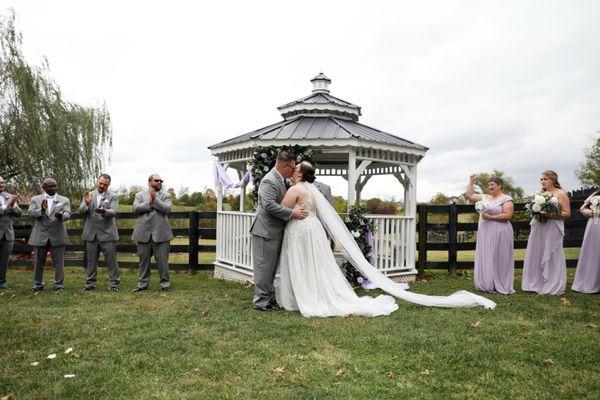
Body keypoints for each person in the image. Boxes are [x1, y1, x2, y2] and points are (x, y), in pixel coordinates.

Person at [276, 161, 496, 318]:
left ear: (300, 174)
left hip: (301, 230)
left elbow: (283, 207)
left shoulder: (296, 188)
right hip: (312, 229)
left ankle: (306, 297)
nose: (293, 170)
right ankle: (315, 294)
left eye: (295, 169)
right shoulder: (312, 191)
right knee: (316, 265)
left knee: (302, 263)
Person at [249, 149, 308, 311]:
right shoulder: (269, 180)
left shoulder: (282, 179)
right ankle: (260, 302)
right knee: (263, 268)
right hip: (264, 231)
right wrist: (292, 213)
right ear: (283, 166)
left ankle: (268, 298)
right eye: (292, 168)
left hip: (274, 231)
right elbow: (268, 205)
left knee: (271, 268)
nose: (294, 171)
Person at [522, 170, 570, 295]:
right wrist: (535, 211)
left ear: (553, 180)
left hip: (553, 226)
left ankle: (552, 283)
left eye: (545, 179)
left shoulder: (561, 193)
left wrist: (550, 214)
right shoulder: (539, 194)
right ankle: (536, 282)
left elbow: (566, 213)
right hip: (539, 226)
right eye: (541, 179)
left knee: (551, 252)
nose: (542, 181)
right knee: (537, 251)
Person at [465, 174, 515, 294]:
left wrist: (490, 217)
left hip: (500, 231)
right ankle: (487, 282)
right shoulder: (485, 197)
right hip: (485, 231)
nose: (490, 187)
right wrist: (471, 182)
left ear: (499, 185)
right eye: (488, 185)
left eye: (492, 184)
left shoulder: (506, 199)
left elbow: (507, 216)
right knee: (487, 254)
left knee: (499, 255)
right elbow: (470, 195)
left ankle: (500, 282)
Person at [79, 174, 120, 292]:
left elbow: (113, 211)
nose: (102, 186)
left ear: (109, 185)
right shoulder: (89, 194)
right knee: (91, 260)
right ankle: (90, 283)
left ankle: (114, 283)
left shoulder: (113, 196)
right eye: (100, 183)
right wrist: (86, 204)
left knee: (111, 260)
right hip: (91, 233)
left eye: (105, 184)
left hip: (107, 233)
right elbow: (81, 211)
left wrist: (104, 211)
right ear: (97, 181)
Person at [132, 174, 173, 292]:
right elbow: (135, 209)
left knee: (163, 262)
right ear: (149, 182)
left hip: (161, 234)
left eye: (161, 180)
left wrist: (155, 200)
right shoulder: (139, 195)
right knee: (143, 261)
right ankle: (142, 284)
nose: (159, 182)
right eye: (156, 180)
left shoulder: (166, 195)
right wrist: (148, 203)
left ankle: (165, 284)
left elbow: (167, 209)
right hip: (143, 234)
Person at [28, 178, 71, 292]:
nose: (54, 188)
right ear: (44, 188)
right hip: (40, 235)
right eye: (50, 186)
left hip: (57, 234)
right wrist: (41, 210)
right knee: (38, 262)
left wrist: (61, 215)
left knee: (59, 263)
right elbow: (31, 213)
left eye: (55, 186)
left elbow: (68, 214)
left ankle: (58, 285)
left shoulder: (64, 199)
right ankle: (38, 284)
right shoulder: (35, 199)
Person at [571, 188, 600, 293]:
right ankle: (591, 282)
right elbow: (582, 207)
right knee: (593, 252)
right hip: (594, 224)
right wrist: (588, 212)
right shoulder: (596, 194)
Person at [0, 176, 23, 289]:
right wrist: (7, 204)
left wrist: (13, 205)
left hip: (7, 234)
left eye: (3, 183)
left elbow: (19, 213)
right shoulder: (8, 199)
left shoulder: (8, 196)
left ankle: (2, 282)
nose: (2, 185)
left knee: (4, 259)